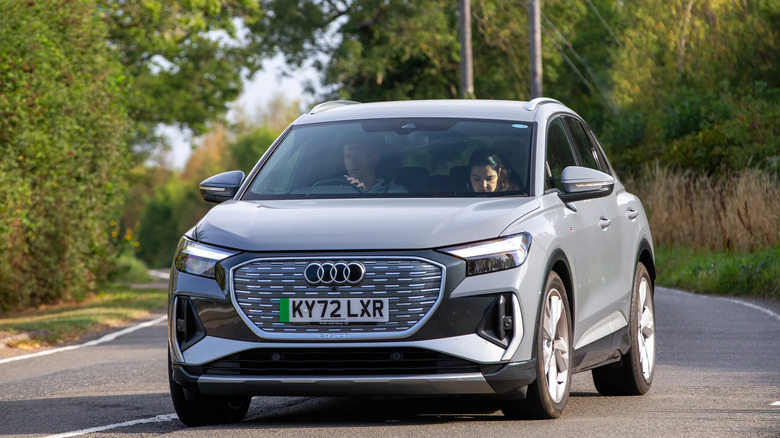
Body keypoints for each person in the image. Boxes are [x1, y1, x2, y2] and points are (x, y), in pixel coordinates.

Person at [342, 140, 406, 193]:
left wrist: (363, 194)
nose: (352, 160)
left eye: (358, 155)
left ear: (375, 159)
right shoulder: (336, 190)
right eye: (348, 156)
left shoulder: (394, 191)